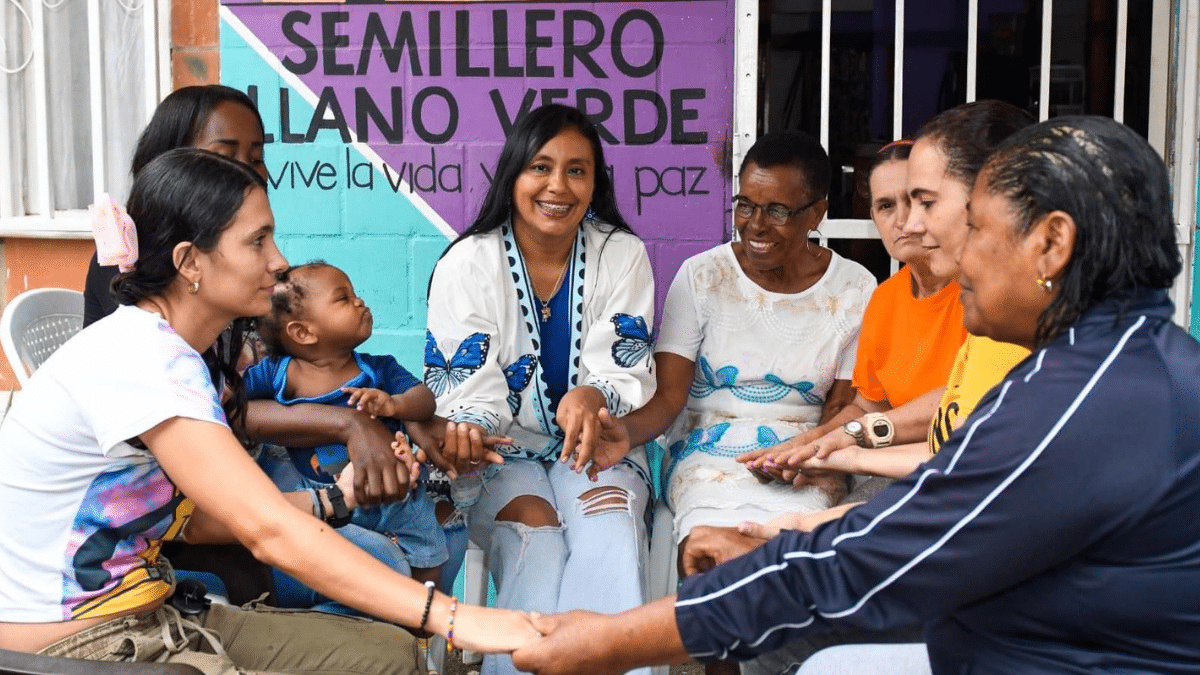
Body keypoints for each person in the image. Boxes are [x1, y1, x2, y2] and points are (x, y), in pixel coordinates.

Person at [510, 115, 1200, 675]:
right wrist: (769, 535)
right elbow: (917, 518)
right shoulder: (1120, 366)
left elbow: (876, 559)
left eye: (977, 227)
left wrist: (610, 642)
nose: (952, 249)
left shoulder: (1079, 401)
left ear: (1052, 245)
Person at [0, 148, 539, 673]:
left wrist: (336, 498)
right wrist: (457, 619)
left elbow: (196, 523)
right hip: (85, 645)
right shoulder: (147, 358)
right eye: (257, 240)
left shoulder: (171, 352)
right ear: (190, 262)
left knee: (388, 653)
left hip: (148, 615)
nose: (278, 260)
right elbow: (268, 530)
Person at [423, 103, 656, 675]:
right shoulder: (468, 263)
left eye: (577, 170)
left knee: (608, 529)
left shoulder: (621, 254)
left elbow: (625, 367)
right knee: (536, 535)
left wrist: (595, 394)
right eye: (541, 167)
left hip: (598, 449)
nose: (558, 186)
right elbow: (465, 392)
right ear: (513, 176)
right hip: (503, 455)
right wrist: (470, 433)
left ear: (595, 182)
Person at [743, 101, 1034, 499]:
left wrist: (844, 450)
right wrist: (807, 447)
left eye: (923, 202)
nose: (908, 222)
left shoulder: (995, 306)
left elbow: (962, 426)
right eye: (885, 206)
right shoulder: (884, 297)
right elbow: (869, 408)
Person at [613, 130, 875, 554]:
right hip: (707, 451)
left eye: (777, 210)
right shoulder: (702, 276)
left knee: (789, 547)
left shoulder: (854, 288)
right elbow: (668, 398)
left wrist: (805, 458)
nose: (755, 224)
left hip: (806, 455)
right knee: (711, 545)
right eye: (746, 205)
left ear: (817, 214)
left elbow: (840, 409)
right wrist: (622, 435)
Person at [245, 261, 446, 610]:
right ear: (303, 332)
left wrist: (395, 405)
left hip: (394, 495)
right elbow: (231, 401)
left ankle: (421, 620)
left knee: (430, 548)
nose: (360, 301)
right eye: (343, 298)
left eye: (354, 294)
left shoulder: (378, 369)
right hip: (320, 496)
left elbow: (424, 401)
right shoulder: (275, 374)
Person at [83, 84, 266, 327]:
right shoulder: (129, 260)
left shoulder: (237, 248)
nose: (247, 173)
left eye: (256, 159)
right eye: (222, 157)